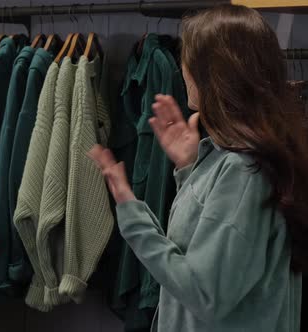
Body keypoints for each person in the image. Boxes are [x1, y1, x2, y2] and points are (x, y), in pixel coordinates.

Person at [88, 5, 305, 332]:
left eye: (186, 56)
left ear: (211, 74)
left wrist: (130, 210)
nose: (182, 67)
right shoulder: (246, 160)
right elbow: (219, 247)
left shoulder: (243, 171)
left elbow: (206, 294)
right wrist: (190, 168)